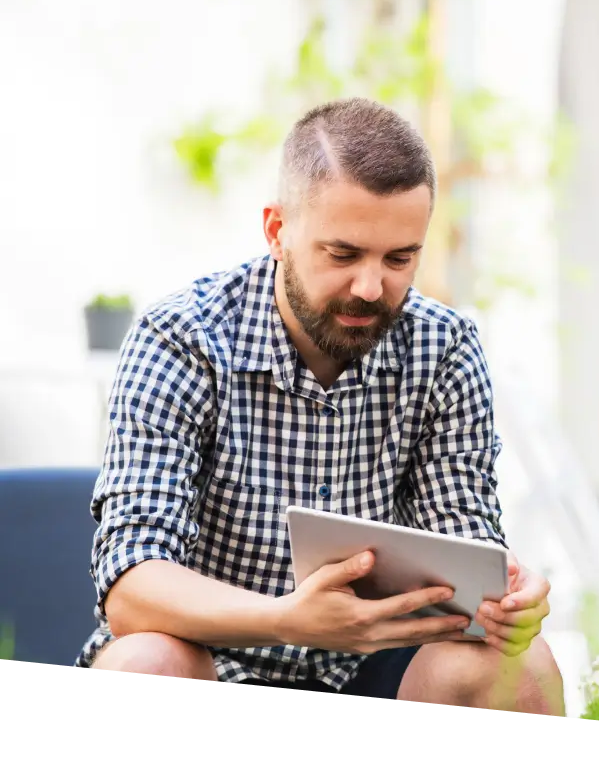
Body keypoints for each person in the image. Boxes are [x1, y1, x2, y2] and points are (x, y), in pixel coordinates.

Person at [75, 97, 565, 712]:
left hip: (378, 664)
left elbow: (461, 543)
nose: (370, 287)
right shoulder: (181, 339)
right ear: (277, 231)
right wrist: (288, 619)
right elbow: (132, 585)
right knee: (143, 663)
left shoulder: (443, 348)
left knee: (523, 667)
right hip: (212, 655)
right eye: (343, 254)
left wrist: (506, 598)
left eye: (399, 259)